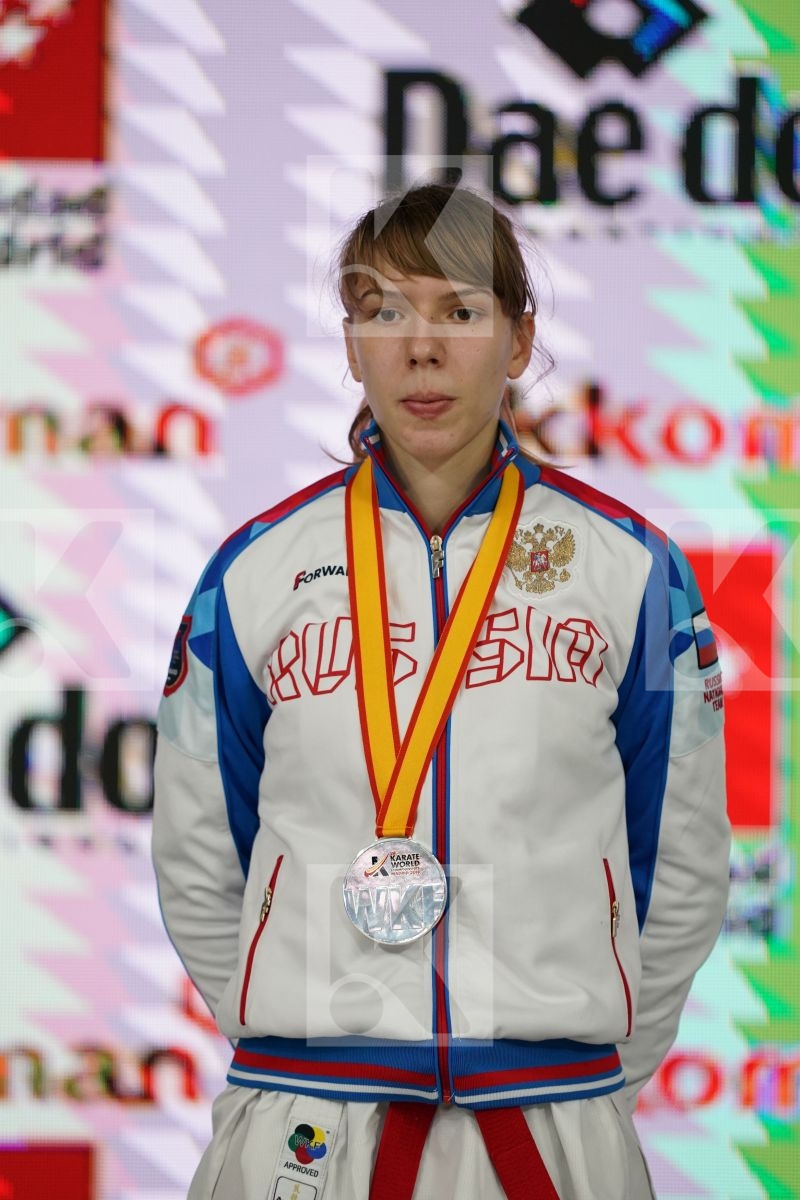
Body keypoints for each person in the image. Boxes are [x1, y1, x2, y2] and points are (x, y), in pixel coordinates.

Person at [152, 182, 730, 1199]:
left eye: (459, 311)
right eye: (383, 311)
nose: (420, 346)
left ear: (517, 341)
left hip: (551, 1130)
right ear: (348, 343)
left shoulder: (628, 570)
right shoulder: (252, 571)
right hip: (306, 1129)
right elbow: (203, 860)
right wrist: (314, 1035)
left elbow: (675, 866)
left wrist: (573, 1074)